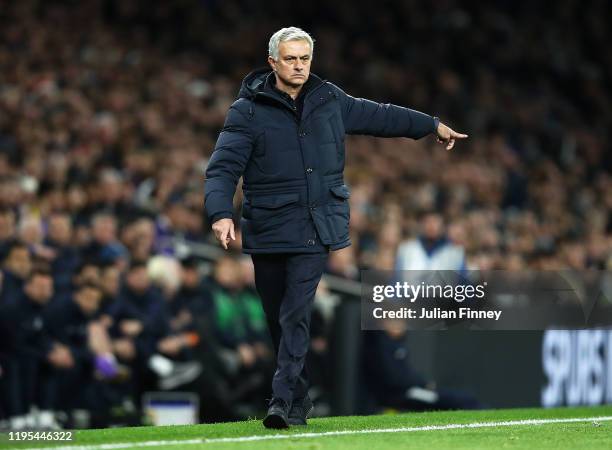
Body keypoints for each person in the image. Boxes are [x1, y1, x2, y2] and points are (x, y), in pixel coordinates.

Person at [204, 26, 467, 428]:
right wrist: (221, 213)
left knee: (295, 314)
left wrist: (429, 125)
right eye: (290, 58)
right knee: (277, 319)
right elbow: (222, 167)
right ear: (272, 61)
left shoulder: (330, 99)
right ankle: (300, 397)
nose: (298, 66)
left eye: (305, 58)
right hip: (268, 227)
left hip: (314, 226)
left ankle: (279, 401)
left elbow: (380, 116)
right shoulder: (247, 111)